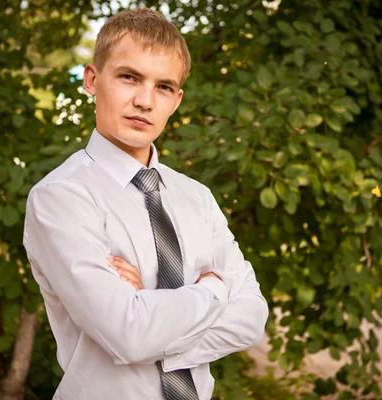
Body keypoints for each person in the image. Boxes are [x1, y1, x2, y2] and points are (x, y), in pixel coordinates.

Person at [23, 8, 268, 400]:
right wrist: (215, 292)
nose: (145, 100)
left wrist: (150, 307)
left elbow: (251, 320)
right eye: (129, 77)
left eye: (164, 86)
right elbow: (128, 334)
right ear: (92, 79)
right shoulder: (61, 198)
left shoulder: (196, 197)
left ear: (177, 99)